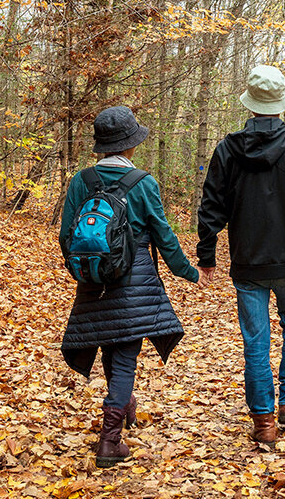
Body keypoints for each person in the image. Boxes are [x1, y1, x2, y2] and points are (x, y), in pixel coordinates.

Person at [196, 64, 285, 445]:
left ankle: (264, 422)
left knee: (256, 341)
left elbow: (211, 208)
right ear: (281, 104)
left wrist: (207, 256)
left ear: (251, 103)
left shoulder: (227, 149)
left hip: (248, 262)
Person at [59, 106, 200, 468]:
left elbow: (66, 236)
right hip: (132, 280)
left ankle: (125, 403)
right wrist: (188, 272)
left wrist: (86, 272)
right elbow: (164, 236)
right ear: (131, 145)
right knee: (124, 356)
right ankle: (110, 441)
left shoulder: (81, 180)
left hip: (93, 279)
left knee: (110, 344)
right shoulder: (143, 183)